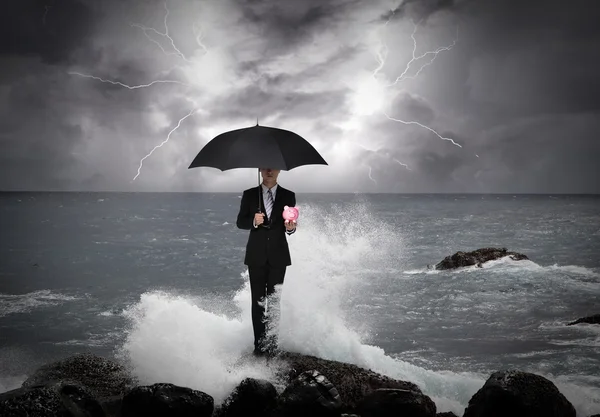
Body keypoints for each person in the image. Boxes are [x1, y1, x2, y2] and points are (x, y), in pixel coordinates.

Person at [236, 168, 297, 356]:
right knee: (258, 302)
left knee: (274, 302)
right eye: (266, 166)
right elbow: (240, 222)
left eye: (273, 167)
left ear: (279, 170)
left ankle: (272, 345)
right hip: (256, 255)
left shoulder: (288, 195)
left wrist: (291, 228)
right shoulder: (249, 194)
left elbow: (290, 225)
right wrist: (254, 221)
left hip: (279, 255)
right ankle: (259, 347)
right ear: (260, 169)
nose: (270, 170)